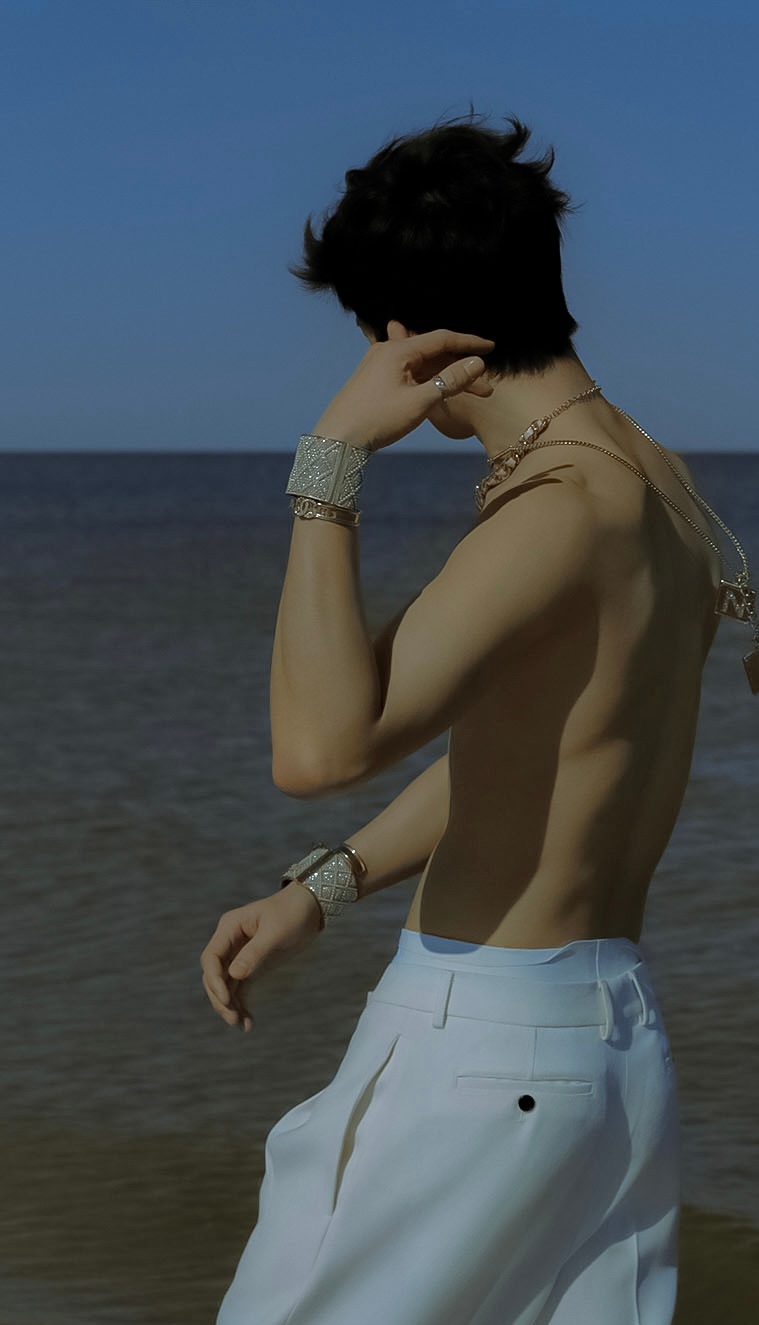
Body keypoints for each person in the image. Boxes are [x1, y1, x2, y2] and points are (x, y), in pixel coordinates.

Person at [199, 110, 749, 1324]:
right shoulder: (660, 482)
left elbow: (317, 747)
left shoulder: (557, 510)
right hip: (609, 1050)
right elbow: (534, 754)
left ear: (410, 337)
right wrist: (322, 889)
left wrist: (330, 458)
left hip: (483, 1053)